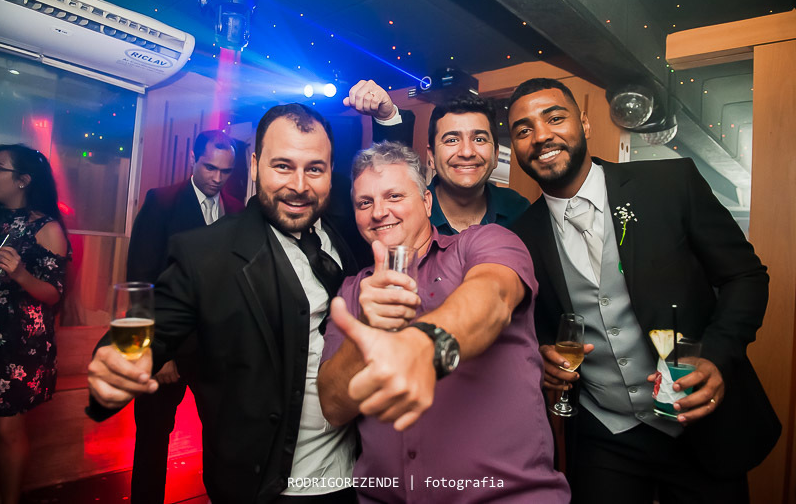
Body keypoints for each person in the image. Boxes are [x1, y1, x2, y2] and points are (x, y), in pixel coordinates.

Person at [88, 92, 409, 502]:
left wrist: (387, 117)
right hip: (267, 486)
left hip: (358, 477)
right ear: (255, 166)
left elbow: (395, 179)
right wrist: (115, 361)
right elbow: (152, 327)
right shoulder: (207, 253)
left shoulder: (351, 231)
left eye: (315, 169)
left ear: (331, 175)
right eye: (282, 166)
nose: (298, 185)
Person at [507, 77, 780, 503]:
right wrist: (543, 354)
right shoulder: (518, 236)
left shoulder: (669, 183)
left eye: (554, 118)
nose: (541, 136)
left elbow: (745, 276)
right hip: (605, 432)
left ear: (584, 122)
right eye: (522, 131)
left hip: (698, 423)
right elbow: (532, 327)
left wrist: (718, 356)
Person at [317, 142, 569, 503]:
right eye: (364, 203)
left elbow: (493, 296)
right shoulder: (353, 290)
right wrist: (369, 330)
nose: (379, 212)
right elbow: (333, 405)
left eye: (393, 195)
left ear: (426, 202)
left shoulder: (484, 243)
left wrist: (423, 344)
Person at [126, 130, 244, 504]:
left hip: (216, 352)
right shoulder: (161, 202)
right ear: (192, 159)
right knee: (152, 439)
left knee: (223, 442)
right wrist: (158, 352)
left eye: (226, 171)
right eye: (210, 167)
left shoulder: (238, 210)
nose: (217, 177)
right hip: (168, 347)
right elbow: (141, 282)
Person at [0, 144, 70, 504]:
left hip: (17, 341)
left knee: (7, 428)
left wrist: (21, 274)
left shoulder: (46, 227)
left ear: (22, 180)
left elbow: (54, 293)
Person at [426, 95, 529, 234]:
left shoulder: (518, 210)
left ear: (496, 154)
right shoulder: (409, 212)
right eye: (452, 140)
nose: (467, 152)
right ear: (432, 155)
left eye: (479, 139)